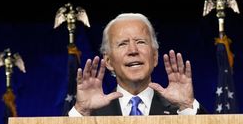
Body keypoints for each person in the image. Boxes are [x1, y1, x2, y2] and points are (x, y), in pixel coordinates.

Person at [68, 13, 200, 116]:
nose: (133, 50)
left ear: (155, 57)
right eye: (123, 44)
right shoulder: (91, 113)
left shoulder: (181, 109)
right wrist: (82, 110)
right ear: (108, 61)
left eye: (141, 42)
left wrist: (186, 105)